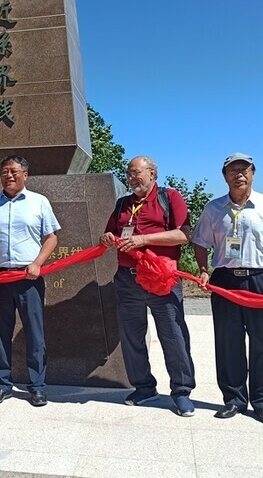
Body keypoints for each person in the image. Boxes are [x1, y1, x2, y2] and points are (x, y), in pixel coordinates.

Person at [192, 153, 263, 425]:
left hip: (260, 279)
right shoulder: (213, 208)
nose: (239, 173)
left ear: (253, 173)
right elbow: (200, 242)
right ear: (224, 175)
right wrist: (203, 269)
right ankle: (234, 399)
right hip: (225, 280)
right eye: (232, 169)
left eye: (244, 169)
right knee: (228, 343)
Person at [100, 156, 197, 416]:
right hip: (127, 278)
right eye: (128, 174)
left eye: (136, 173)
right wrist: (107, 237)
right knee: (131, 335)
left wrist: (145, 239)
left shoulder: (169, 197)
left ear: (152, 173)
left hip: (161, 278)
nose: (131, 178)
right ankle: (143, 387)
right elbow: (109, 233)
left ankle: (181, 391)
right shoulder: (123, 203)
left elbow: (184, 234)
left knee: (173, 336)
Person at [0, 155, 60, 407]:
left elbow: (51, 237)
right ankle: (2, 385)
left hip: (29, 277)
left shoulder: (39, 202)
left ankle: (37, 386)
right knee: (0, 333)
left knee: (35, 333)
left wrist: (38, 263)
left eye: (13, 171)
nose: (8, 175)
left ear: (25, 175)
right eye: (4, 171)